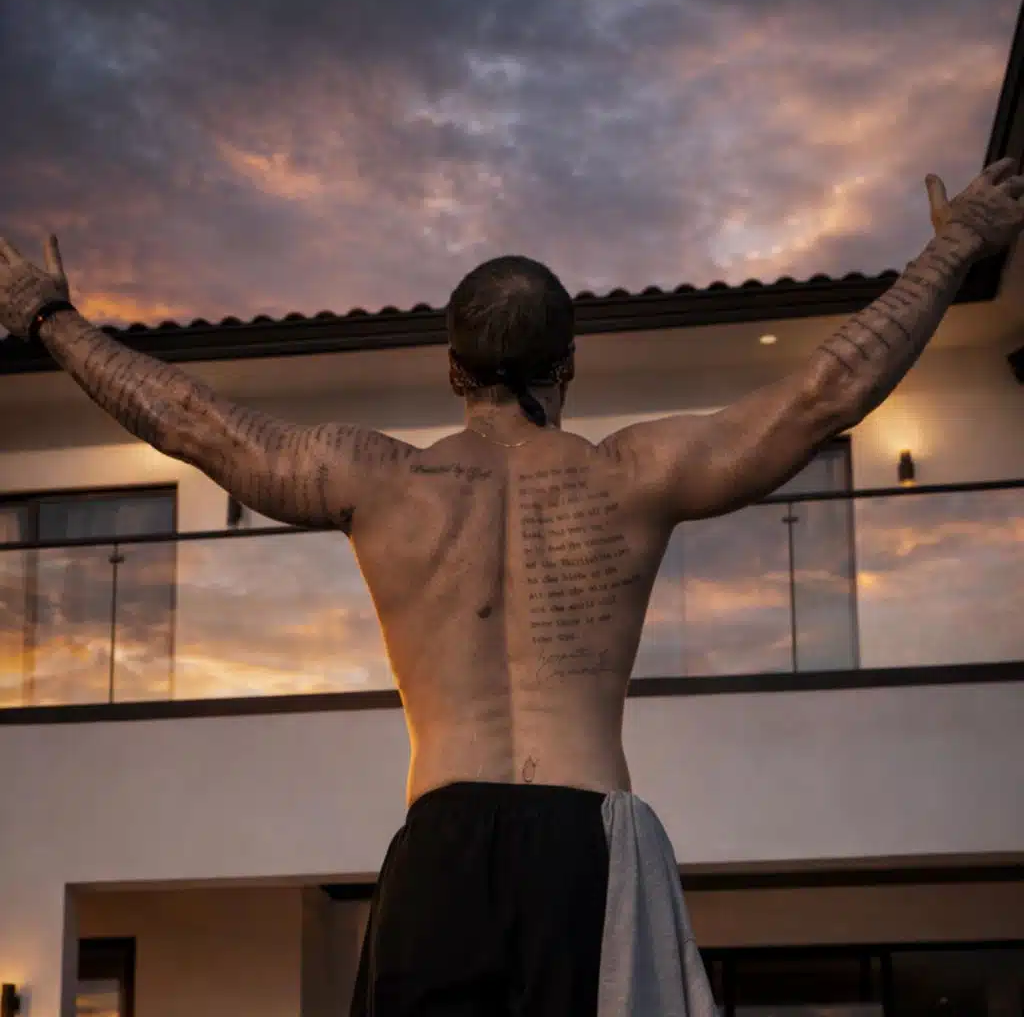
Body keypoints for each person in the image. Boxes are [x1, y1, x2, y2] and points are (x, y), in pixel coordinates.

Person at [1, 159, 1022, 1016]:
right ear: (569, 361)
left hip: (439, 852)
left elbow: (190, 420)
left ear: (453, 371)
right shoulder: (631, 475)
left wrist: (48, 318)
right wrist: (953, 248)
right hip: (586, 848)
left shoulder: (379, 480)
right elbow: (826, 393)